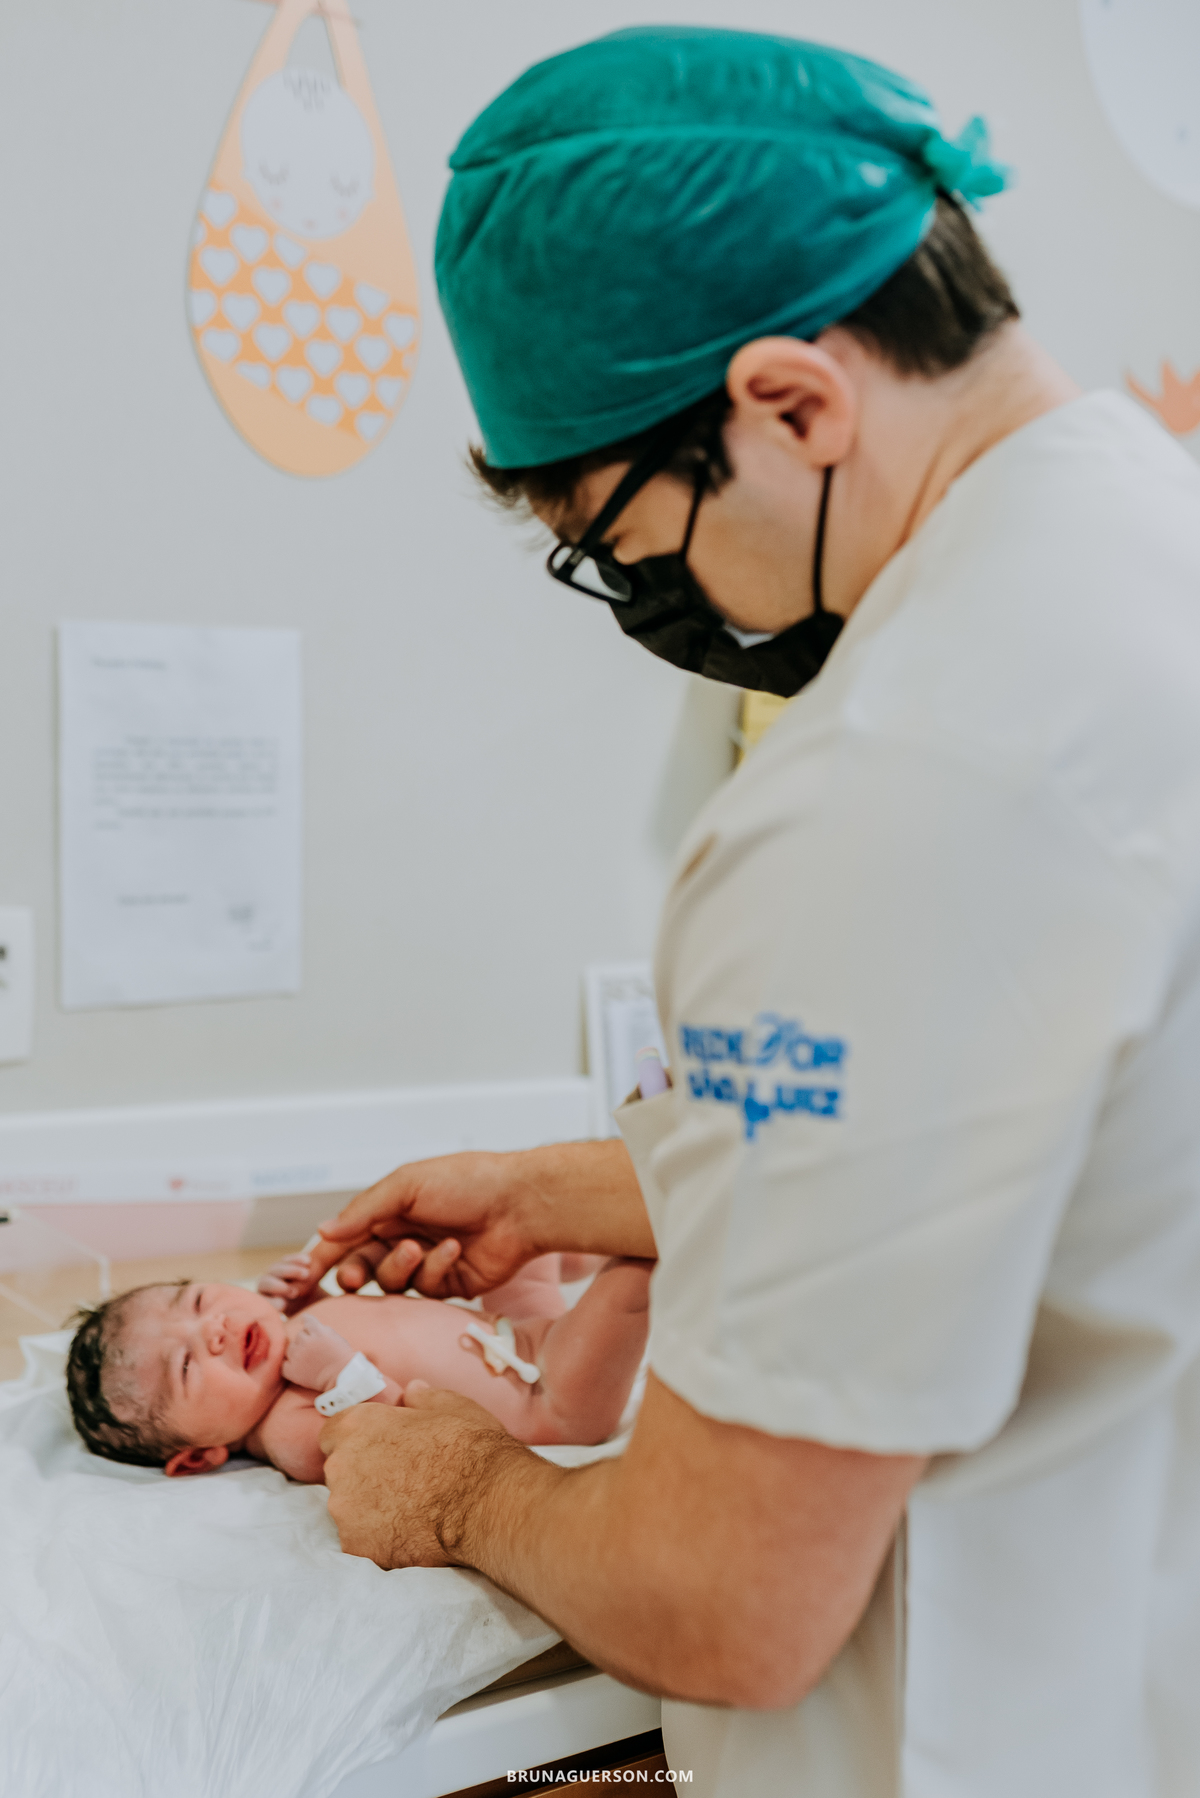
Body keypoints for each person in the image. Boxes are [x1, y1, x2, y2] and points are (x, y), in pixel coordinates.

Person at [295, 27, 1200, 1798]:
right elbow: (1038, 1135)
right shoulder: (1150, 559)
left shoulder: (892, 782)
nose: (658, 600)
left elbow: (725, 1599)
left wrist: (455, 1483)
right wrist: (562, 1188)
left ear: (793, 402)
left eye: (625, 541)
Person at [63, 1255, 650, 1484]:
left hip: (514, 1329)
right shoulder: (289, 1429)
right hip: (549, 1398)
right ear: (199, 1456)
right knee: (631, 1278)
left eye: (196, 1301)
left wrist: (312, 1300)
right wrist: (340, 1374)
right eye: (188, 1365)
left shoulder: (287, 1339)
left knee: (524, 1249)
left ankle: (588, 1240)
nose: (212, 1328)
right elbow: (406, 1441)